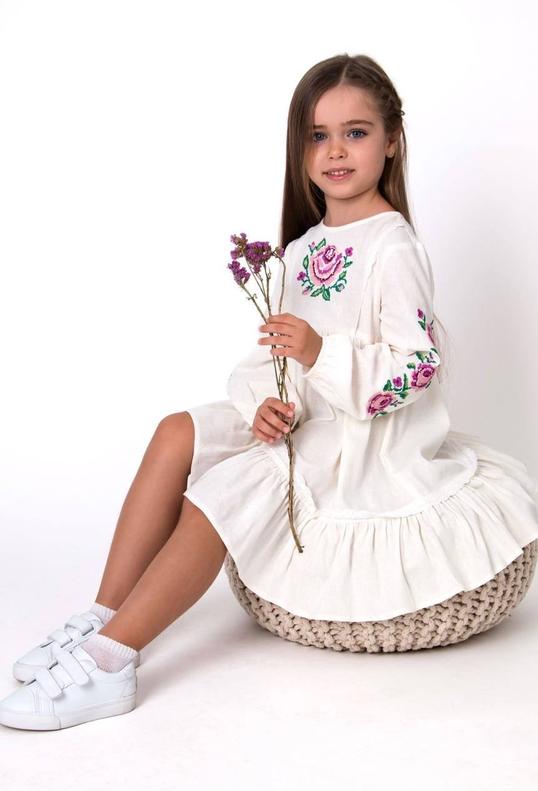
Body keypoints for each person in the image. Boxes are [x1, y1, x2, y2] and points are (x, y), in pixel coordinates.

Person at [2, 52, 537, 731]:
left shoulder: (393, 246)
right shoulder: (303, 249)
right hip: (306, 420)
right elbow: (270, 357)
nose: (335, 151)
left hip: (365, 444)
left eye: (356, 132)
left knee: (231, 487)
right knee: (176, 430)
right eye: (318, 136)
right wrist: (264, 402)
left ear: (392, 141)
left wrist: (321, 354)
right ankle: (103, 614)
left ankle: (111, 662)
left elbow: (416, 366)